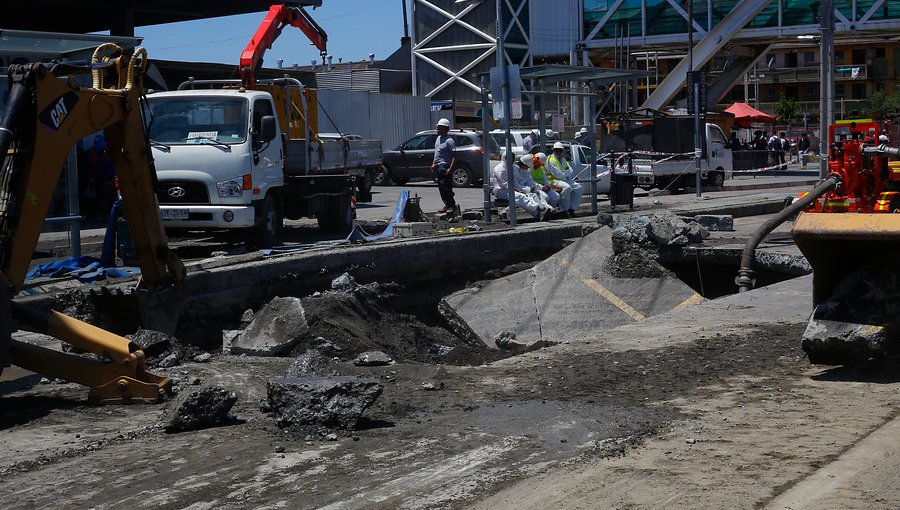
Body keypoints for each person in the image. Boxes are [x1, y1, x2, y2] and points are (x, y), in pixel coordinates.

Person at [491, 154, 552, 221]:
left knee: (531, 194)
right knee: (520, 196)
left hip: (512, 189)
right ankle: (538, 208)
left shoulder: (513, 167)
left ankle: (539, 213)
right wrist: (520, 189)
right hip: (501, 191)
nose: (511, 159)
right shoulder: (499, 169)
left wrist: (527, 189)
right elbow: (504, 184)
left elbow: (517, 182)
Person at [546, 142, 582, 217]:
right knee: (567, 188)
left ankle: (572, 208)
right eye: (557, 150)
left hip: (564, 179)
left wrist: (564, 172)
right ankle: (564, 209)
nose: (558, 152)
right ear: (553, 150)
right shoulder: (550, 160)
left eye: (560, 150)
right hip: (554, 180)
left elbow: (572, 171)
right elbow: (558, 175)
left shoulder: (563, 159)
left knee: (578, 187)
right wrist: (566, 172)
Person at [431, 118, 457, 213]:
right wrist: (434, 163)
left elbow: (454, 156)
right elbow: (437, 153)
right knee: (441, 188)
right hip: (438, 166)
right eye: (437, 128)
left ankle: (452, 205)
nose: (437, 130)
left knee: (446, 187)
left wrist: (450, 168)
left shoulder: (449, 141)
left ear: (445, 129)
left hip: (445, 166)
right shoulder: (438, 139)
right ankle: (447, 204)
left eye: (439, 128)